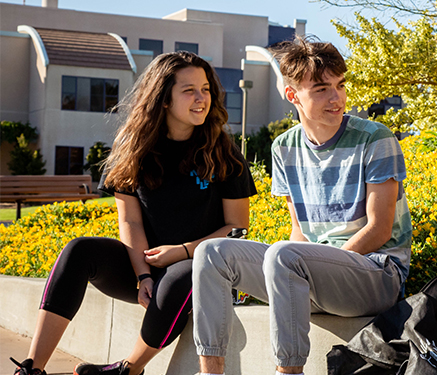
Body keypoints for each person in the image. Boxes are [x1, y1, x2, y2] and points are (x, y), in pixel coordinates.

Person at [10, 52, 256, 375]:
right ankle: (32, 367)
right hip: (148, 264)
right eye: (189, 90)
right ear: (163, 98)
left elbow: (237, 228)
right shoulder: (133, 149)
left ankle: (129, 369)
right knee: (78, 251)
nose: (201, 99)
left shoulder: (223, 151)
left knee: (185, 273)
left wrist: (180, 252)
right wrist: (142, 274)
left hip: (205, 270)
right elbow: (130, 220)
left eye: (206, 89)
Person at [192, 35, 412, 375]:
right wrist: (292, 276)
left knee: (284, 255)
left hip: (376, 274)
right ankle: (211, 371)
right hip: (313, 272)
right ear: (293, 95)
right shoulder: (284, 147)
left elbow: (380, 228)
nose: (337, 98)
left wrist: (312, 267)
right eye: (322, 89)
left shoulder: (375, 138)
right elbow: (300, 231)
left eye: (340, 85)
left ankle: (289, 371)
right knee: (212, 253)